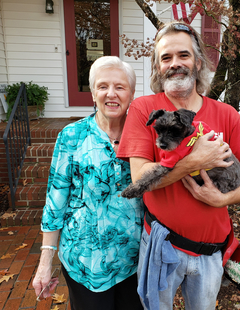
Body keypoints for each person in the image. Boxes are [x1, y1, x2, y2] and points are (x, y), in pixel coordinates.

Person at [117, 21, 240, 310]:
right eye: (166, 58)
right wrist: (195, 161)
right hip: (161, 245)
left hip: (211, 252)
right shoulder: (145, 109)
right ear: (157, 66)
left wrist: (224, 198)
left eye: (183, 55)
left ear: (198, 62)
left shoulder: (225, 114)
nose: (175, 64)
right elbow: (140, 177)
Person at [32, 56, 144, 310]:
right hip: (85, 263)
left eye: (120, 86)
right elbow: (55, 200)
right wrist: (45, 261)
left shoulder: (144, 135)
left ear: (132, 93)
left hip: (135, 261)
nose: (111, 94)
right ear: (93, 93)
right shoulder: (72, 136)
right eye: (102, 86)